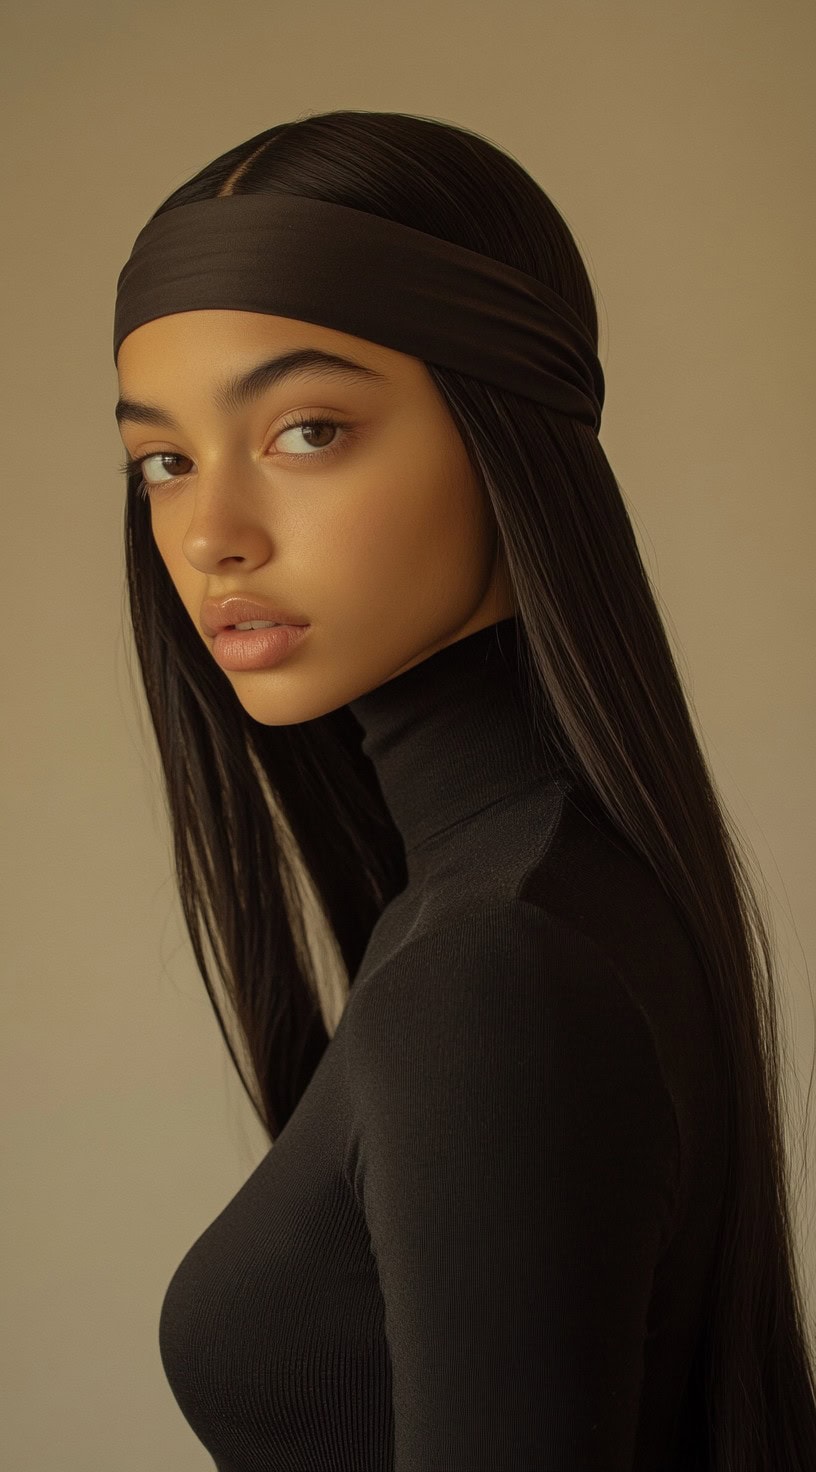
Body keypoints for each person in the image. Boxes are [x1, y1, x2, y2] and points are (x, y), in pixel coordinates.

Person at [112, 109, 816, 1471]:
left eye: (309, 429)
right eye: (163, 459)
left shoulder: (495, 957)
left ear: (503, 427)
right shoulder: (522, 894)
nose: (210, 534)